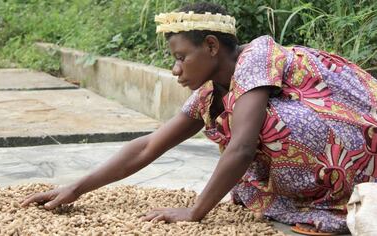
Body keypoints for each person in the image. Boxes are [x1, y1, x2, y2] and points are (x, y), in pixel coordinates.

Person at [21, 2, 377, 235]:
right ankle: (316, 200)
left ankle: (346, 193)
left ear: (210, 46)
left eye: (181, 57)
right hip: (325, 171)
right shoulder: (212, 92)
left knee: (263, 123)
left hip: (358, 147)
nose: (175, 69)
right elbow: (148, 146)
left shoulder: (255, 59)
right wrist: (77, 187)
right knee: (243, 125)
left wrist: (195, 211)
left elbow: (241, 148)